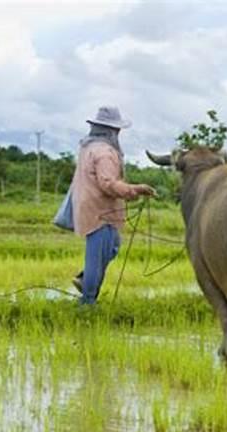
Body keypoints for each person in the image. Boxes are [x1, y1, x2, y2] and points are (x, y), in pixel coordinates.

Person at [71, 106, 155, 305]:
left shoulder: (87, 147)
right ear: (111, 131)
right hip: (101, 212)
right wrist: (135, 189)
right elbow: (107, 183)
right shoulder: (105, 153)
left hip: (90, 207)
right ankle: (88, 302)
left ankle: (85, 281)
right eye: (116, 130)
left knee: (112, 247)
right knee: (97, 257)